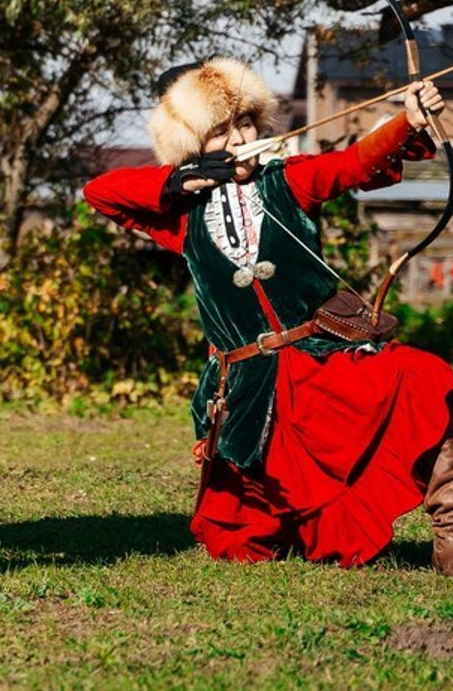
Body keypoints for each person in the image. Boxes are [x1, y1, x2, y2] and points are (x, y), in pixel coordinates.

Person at [84, 57, 453, 571]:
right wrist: (179, 182)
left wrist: (406, 121)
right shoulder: (181, 218)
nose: (237, 138)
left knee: (425, 378)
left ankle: (450, 531)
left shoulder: (290, 181)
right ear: (193, 147)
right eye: (219, 131)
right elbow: (99, 193)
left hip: (319, 367)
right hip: (246, 394)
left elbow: (353, 162)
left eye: (244, 122)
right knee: (236, 542)